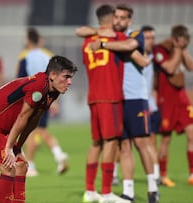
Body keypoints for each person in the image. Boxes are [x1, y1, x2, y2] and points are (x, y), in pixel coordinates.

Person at [77, 4, 159, 203]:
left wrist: (104, 42)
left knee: (140, 142)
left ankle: (152, 186)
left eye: (124, 18)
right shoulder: (113, 36)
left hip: (134, 97)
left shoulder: (134, 35)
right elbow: (138, 57)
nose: (120, 21)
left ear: (129, 20)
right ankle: (124, 191)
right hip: (114, 98)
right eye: (117, 17)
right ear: (112, 19)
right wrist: (105, 34)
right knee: (119, 145)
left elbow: (133, 51)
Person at [0, 56, 77, 203]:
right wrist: (9, 147)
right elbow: (22, 117)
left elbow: (33, 120)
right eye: (66, 77)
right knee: (9, 168)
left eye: (70, 78)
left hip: (2, 128)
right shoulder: (39, 85)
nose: (69, 82)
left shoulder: (53, 91)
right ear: (52, 75)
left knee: (21, 165)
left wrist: (18, 147)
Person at [16, 27, 69, 177]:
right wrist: (55, 101)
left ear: (27, 40)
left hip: (32, 98)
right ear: (39, 40)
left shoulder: (25, 57)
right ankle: (59, 154)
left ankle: (30, 166)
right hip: (48, 96)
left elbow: (20, 82)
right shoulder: (49, 57)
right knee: (42, 130)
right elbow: (58, 78)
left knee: (30, 132)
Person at [153, 24, 193, 187]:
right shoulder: (160, 49)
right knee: (165, 140)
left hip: (182, 99)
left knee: (192, 134)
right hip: (166, 101)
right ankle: (162, 176)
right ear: (175, 38)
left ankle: (192, 173)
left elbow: (190, 67)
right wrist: (177, 50)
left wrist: (183, 50)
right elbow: (169, 68)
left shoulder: (182, 49)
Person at [141, 25, 161, 183]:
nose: (151, 41)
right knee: (122, 141)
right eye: (147, 37)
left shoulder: (154, 57)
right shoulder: (134, 56)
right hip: (136, 103)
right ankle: (113, 174)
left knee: (151, 140)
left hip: (150, 105)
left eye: (153, 38)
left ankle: (156, 175)